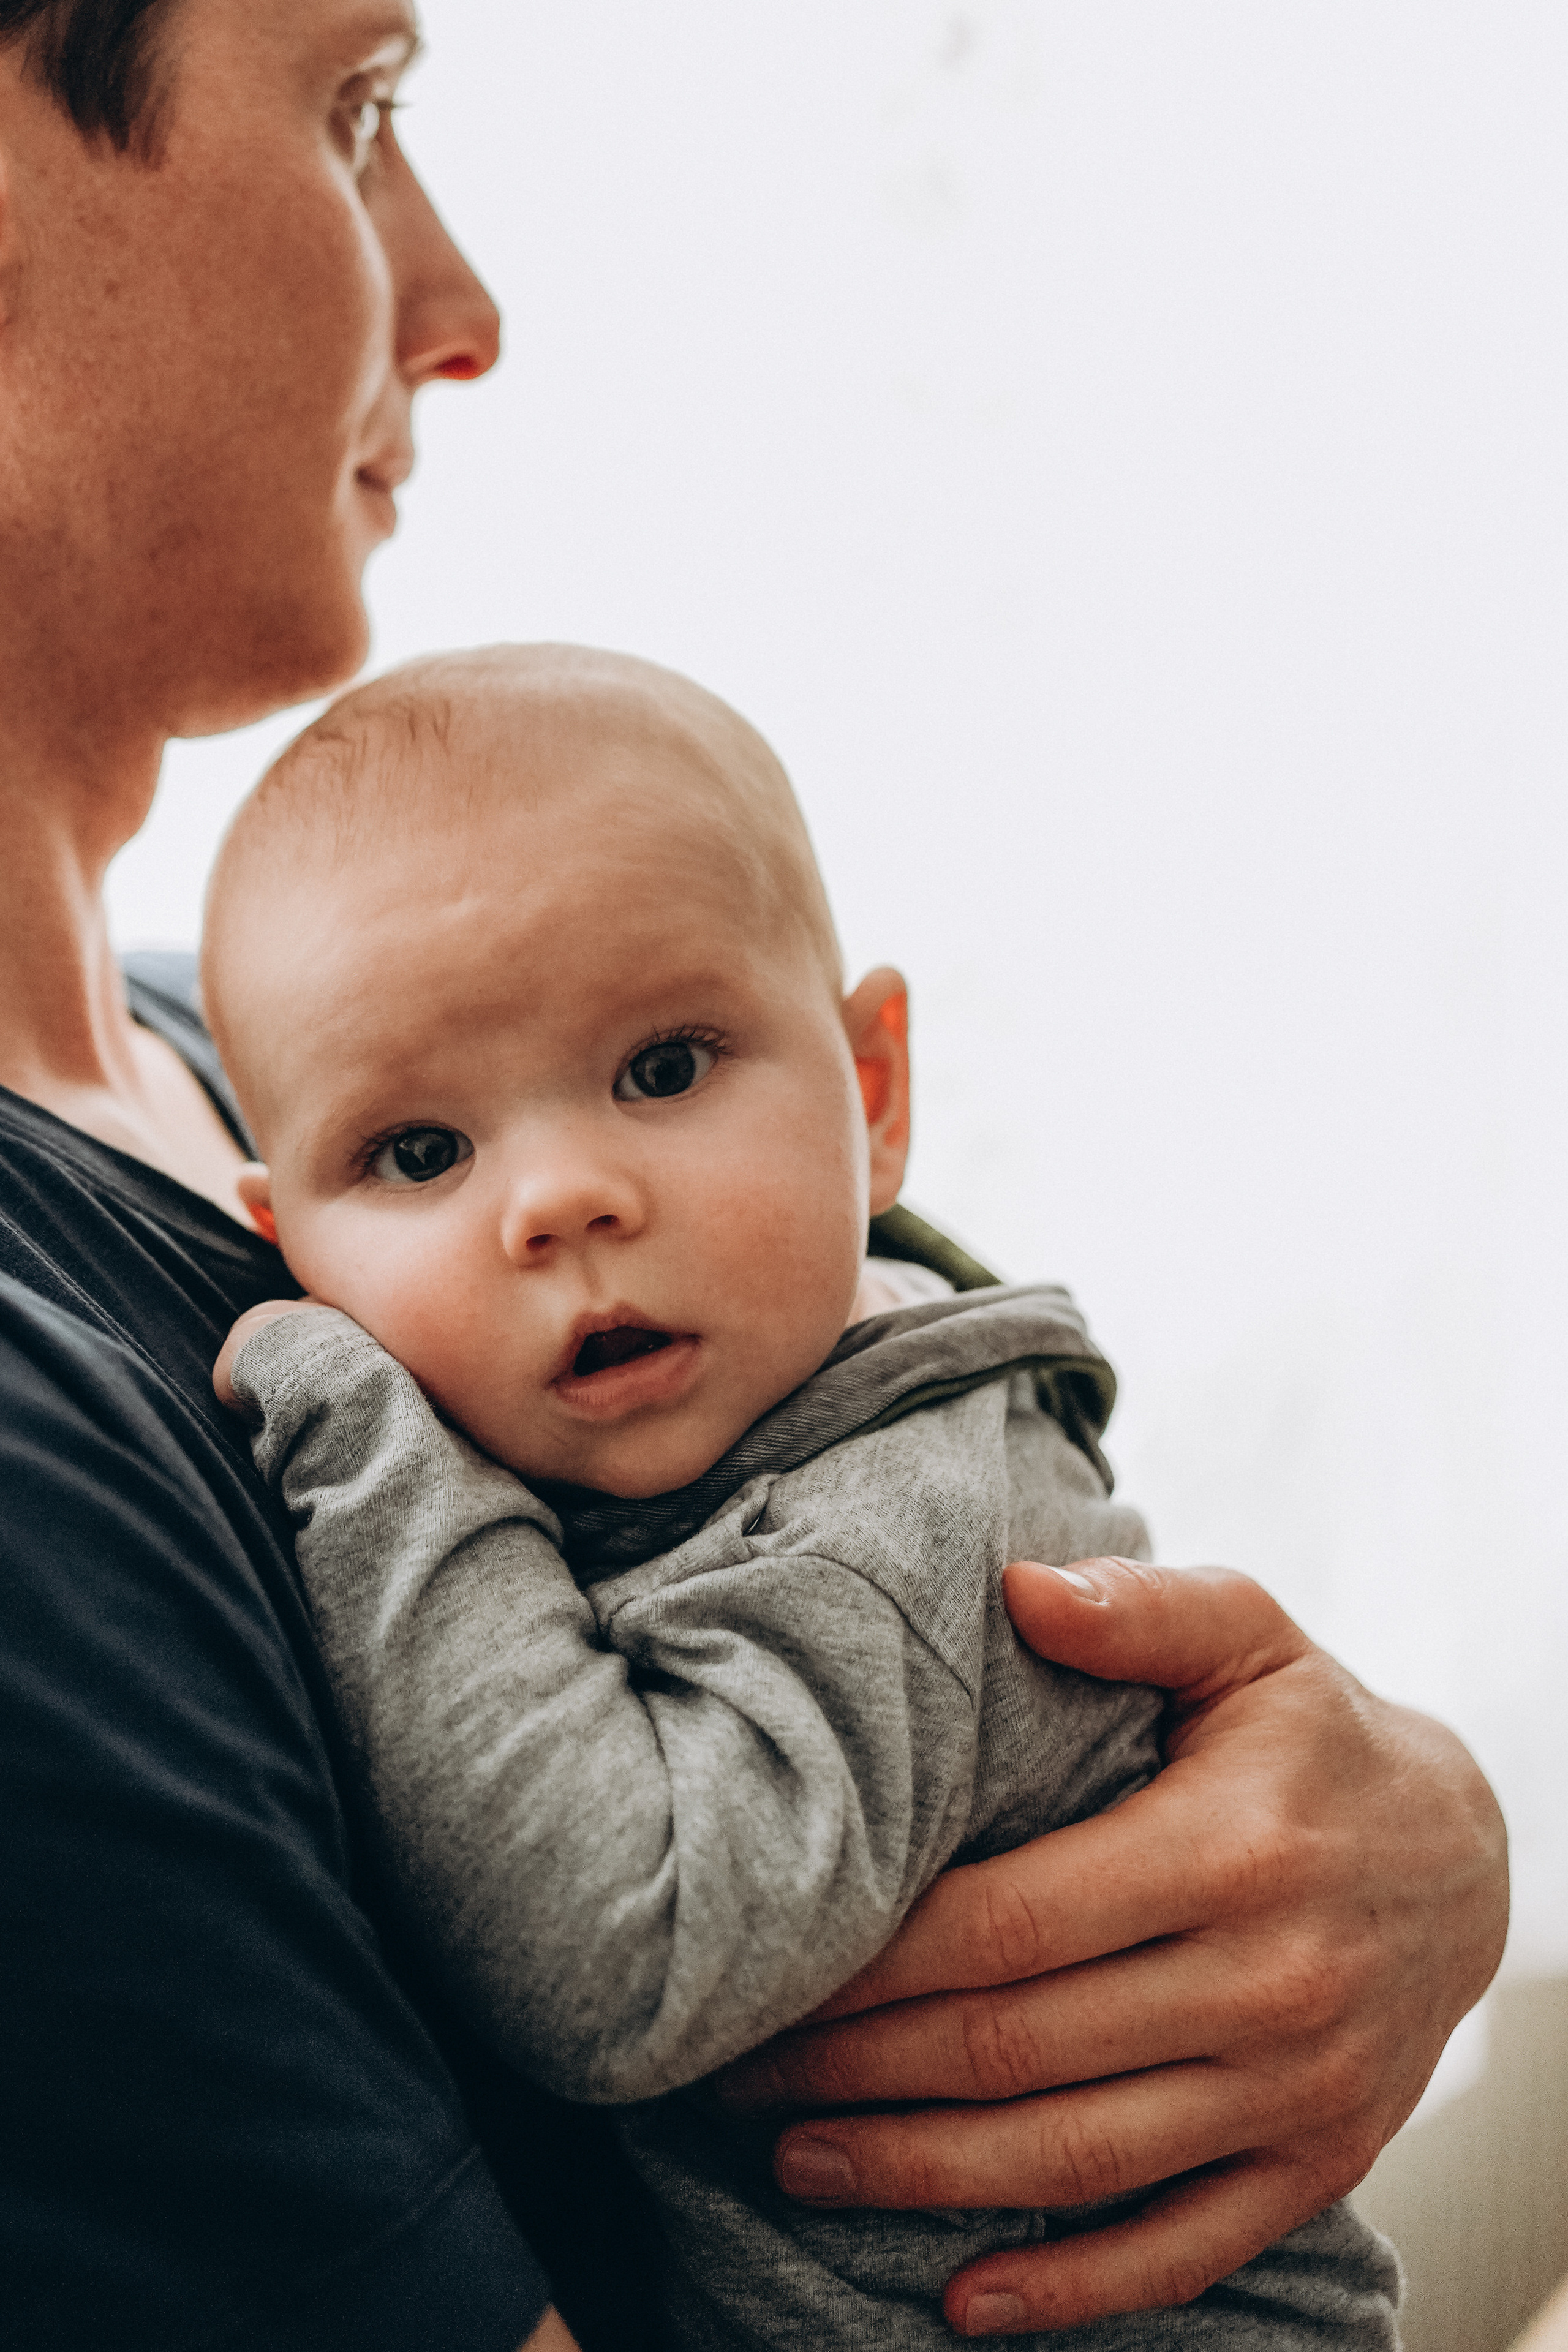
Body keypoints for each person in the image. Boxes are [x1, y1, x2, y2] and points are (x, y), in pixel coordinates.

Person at [0, 5, 1506, 2349]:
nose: (464, 301)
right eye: (356, 109)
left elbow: (985, 1521)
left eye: (672, 1075)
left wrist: (1398, 1841)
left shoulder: (279, 1055)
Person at [200, 642, 1403, 2350]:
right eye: (418, 1154)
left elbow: (622, 1955)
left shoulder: (895, 1527)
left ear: (877, 1092)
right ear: (287, 1242)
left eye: (666, 1069)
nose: (560, 1198)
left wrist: (365, 1447)